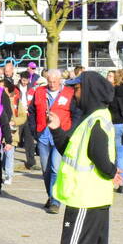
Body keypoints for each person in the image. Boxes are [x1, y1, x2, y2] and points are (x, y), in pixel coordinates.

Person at [45, 73, 123, 244]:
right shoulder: (93, 119)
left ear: (89, 91)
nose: (74, 95)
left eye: (77, 90)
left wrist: (111, 171)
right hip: (95, 196)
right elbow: (71, 150)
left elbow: (99, 155)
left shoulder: (95, 121)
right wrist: (57, 129)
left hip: (84, 197)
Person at [30, 68, 74, 214]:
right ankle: (50, 195)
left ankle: (55, 201)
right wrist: (34, 130)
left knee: (55, 167)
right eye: (50, 81)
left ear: (60, 80)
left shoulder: (69, 93)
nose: (52, 84)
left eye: (55, 81)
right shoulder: (39, 91)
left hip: (61, 135)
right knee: (46, 169)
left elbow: (75, 113)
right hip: (43, 134)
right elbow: (32, 111)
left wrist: (70, 132)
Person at [15, 71, 38, 170]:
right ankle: (7, 161)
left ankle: (31, 162)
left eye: (26, 80)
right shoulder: (15, 89)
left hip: (28, 116)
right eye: (23, 80)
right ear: (20, 79)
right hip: (18, 116)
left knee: (29, 140)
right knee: (15, 138)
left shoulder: (32, 89)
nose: (24, 82)